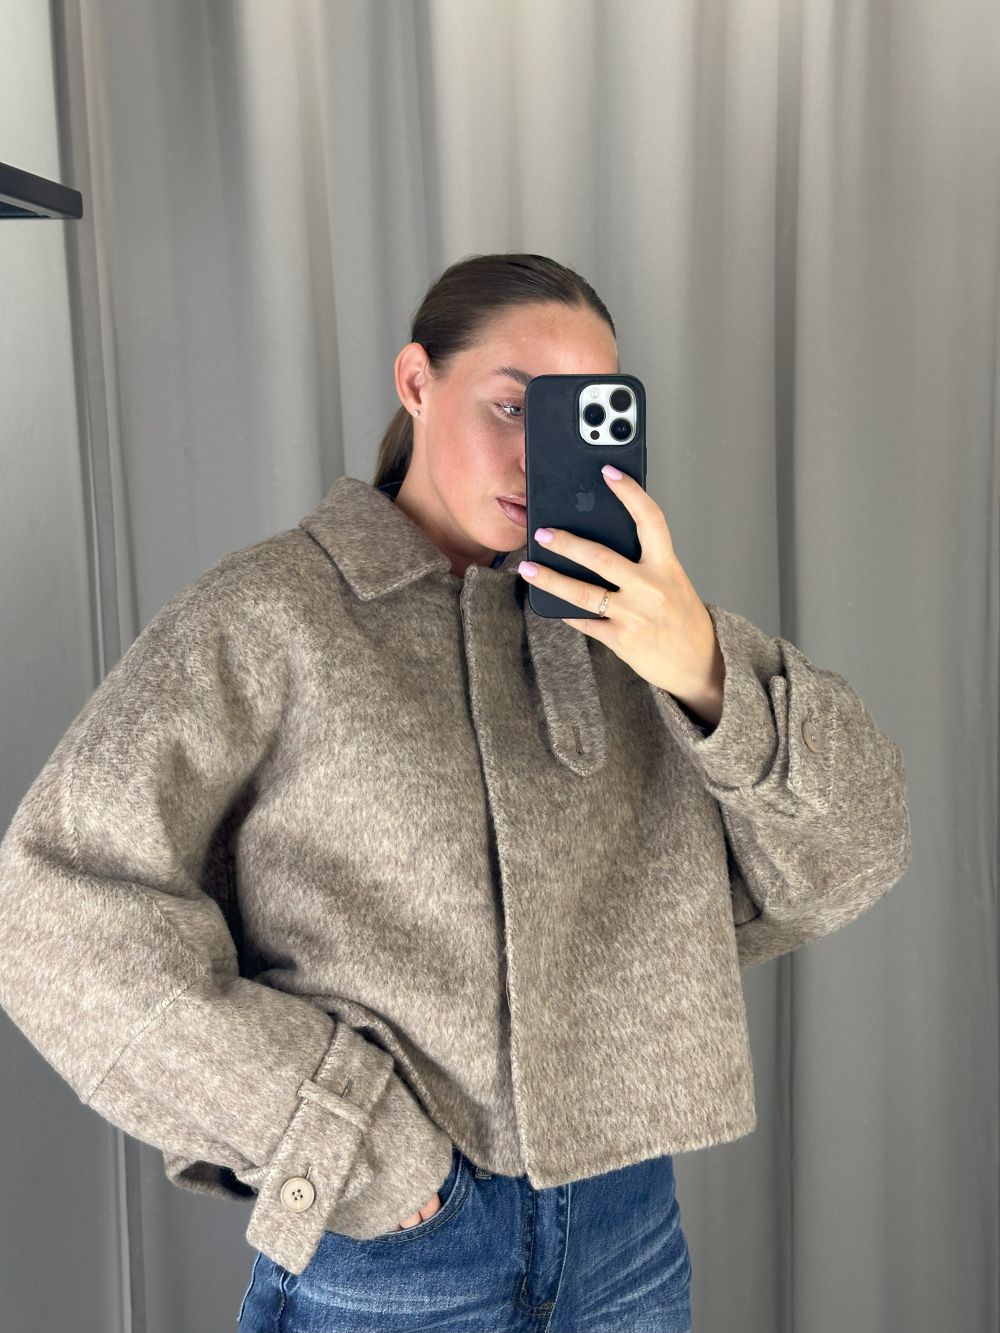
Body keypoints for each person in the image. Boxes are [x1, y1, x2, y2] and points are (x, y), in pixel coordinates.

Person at [0, 253, 911, 1333]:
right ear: (416, 380)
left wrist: (706, 665)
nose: (538, 454)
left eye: (577, 418)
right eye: (513, 405)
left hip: (626, 1236)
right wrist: (344, 1140)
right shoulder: (271, 613)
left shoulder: (640, 629)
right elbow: (53, 909)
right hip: (399, 1254)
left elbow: (855, 848)